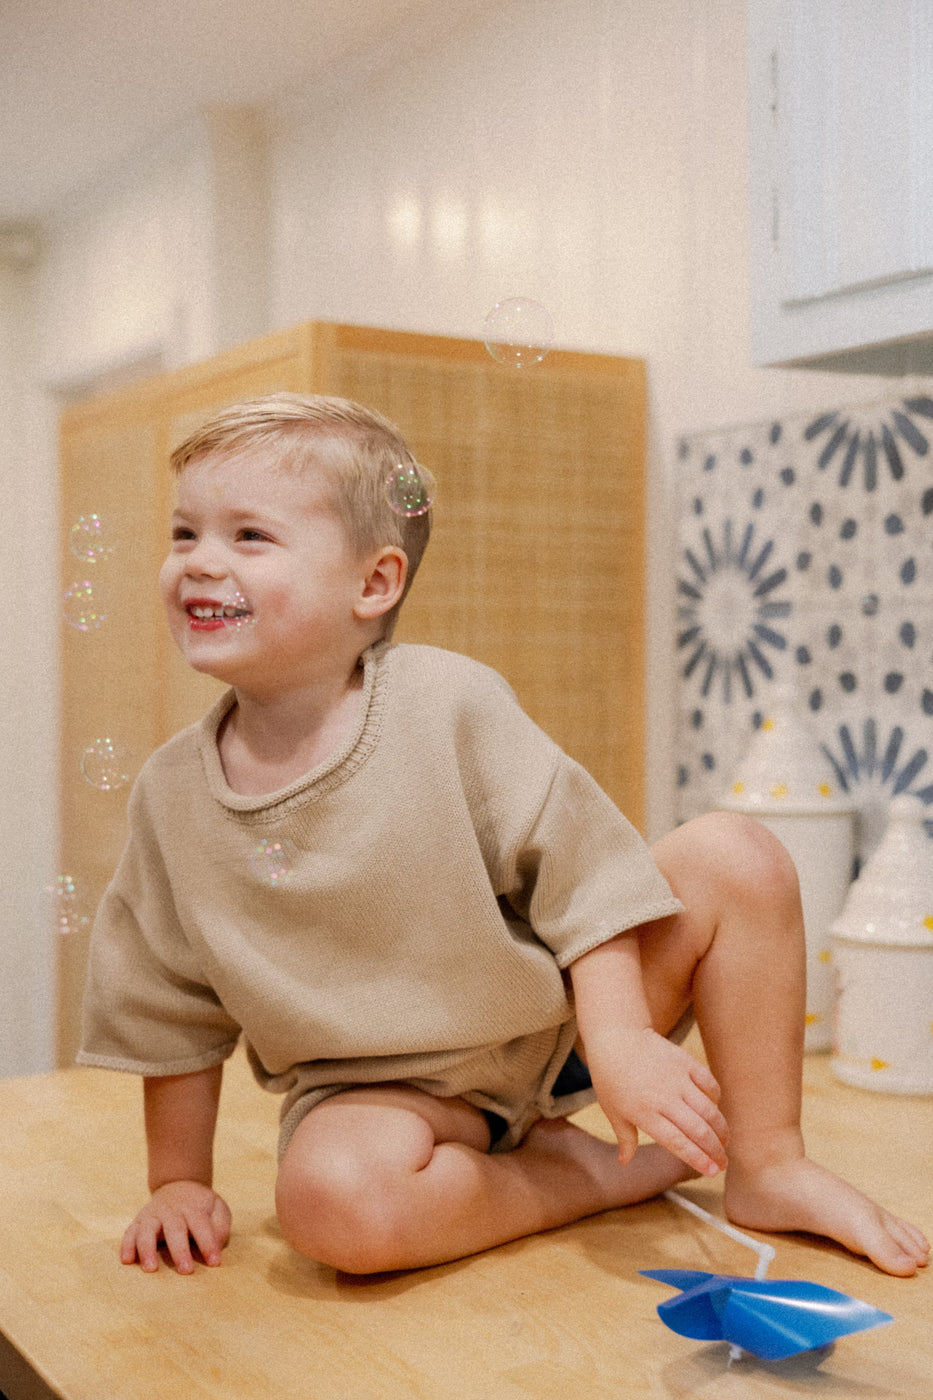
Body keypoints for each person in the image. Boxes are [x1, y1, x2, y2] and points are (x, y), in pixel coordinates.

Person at [79, 393, 929, 1282]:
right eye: (185, 534)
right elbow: (168, 1003)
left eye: (248, 536)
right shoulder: (171, 796)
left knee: (734, 855)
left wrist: (617, 1037)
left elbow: (586, 875)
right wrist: (178, 1181)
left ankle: (769, 1164)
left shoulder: (448, 705)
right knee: (330, 1205)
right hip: (384, 1094)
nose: (199, 561)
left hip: (557, 1029)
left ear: (373, 583)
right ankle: (582, 1176)